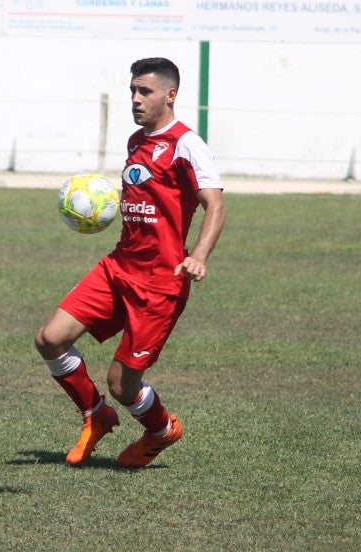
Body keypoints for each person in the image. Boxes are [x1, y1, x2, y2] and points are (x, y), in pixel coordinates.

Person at [35, 57, 225, 469]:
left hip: (161, 283)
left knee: (122, 384)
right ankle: (95, 415)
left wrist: (198, 256)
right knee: (50, 339)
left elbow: (215, 205)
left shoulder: (187, 145)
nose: (136, 100)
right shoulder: (135, 141)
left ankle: (161, 430)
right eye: (133, 91)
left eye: (146, 92)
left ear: (170, 95)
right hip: (119, 267)